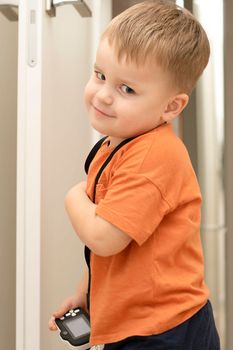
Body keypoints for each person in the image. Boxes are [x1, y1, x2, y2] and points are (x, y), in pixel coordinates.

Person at [49, 1, 220, 349]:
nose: (104, 95)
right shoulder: (116, 145)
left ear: (171, 107)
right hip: (136, 322)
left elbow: (105, 237)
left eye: (126, 89)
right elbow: (110, 253)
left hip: (164, 328)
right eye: (100, 75)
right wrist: (87, 296)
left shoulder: (152, 156)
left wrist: (73, 197)